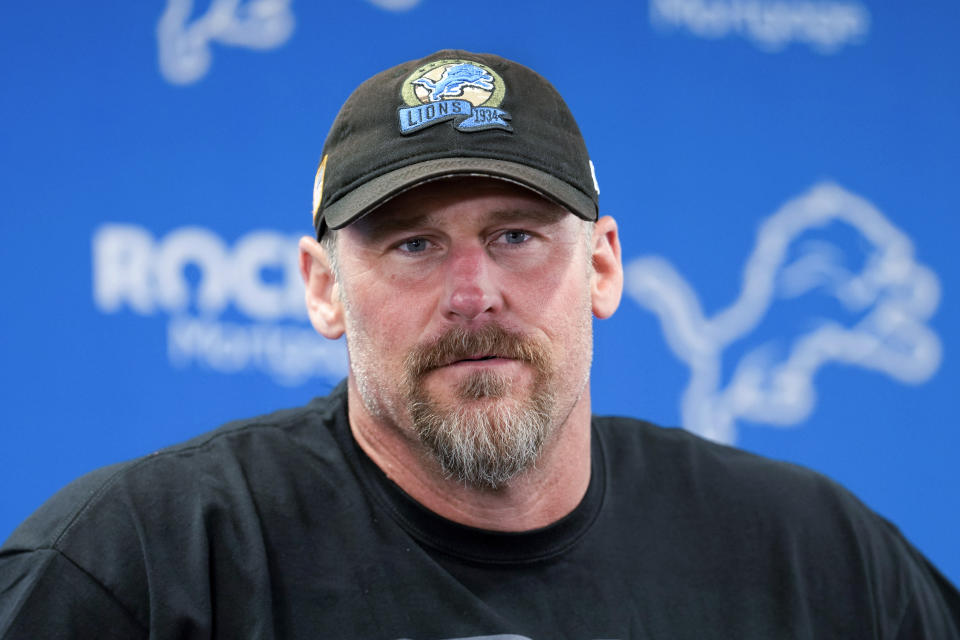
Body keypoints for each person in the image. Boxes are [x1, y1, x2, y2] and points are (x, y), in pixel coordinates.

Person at [1, 49, 958, 639]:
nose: (475, 294)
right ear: (323, 289)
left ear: (603, 268)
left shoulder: (820, 562)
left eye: (517, 235)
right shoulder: (136, 569)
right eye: (414, 244)